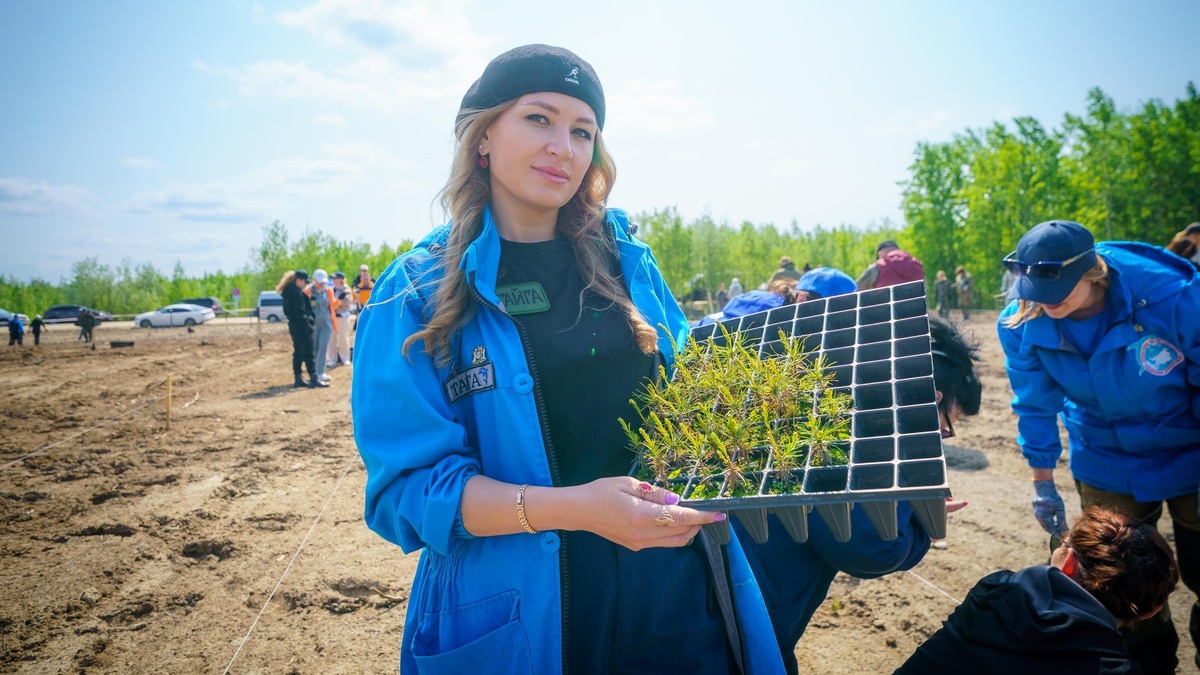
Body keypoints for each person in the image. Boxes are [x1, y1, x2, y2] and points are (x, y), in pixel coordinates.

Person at [351, 44, 784, 674]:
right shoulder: (415, 293)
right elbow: (408, 495)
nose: (564, 146)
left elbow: (704, 411)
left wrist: (859, 472)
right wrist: (576, 508)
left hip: (680, 597)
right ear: (483, 137)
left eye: (583, 131)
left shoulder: (629, 264)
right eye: (539, 119)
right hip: (523, 621)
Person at [998, 219, 1200, 674]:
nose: (1046, 301)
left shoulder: (1174, 297)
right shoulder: (1022, 318)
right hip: (1104, 453)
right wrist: (1042, 483)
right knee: (1120, 583)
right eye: (1034, 290)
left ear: (1092, 274)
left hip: (1190, 446)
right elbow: (1033, 404)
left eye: (1059, 289)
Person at [741, 317, 981, 674]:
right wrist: (926, 527)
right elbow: (875, 547)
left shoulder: (823, 396)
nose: (940, 440)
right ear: (931, 400)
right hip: (746, 607)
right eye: (945, 428)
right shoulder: (868, 436)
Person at [895, 506, 1179, 674]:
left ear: (1068, 563)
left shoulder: (993, 590)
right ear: (1150, 612)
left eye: (1061, 543)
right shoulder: (1115, 669)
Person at [279, 270, 325, 388]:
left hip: (294, 325)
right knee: (308, 352)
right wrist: (307, 325)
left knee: (298, 352)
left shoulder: (288, 292)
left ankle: (298, 377)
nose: (305, 284)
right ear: (298, 280)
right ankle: (313, 377)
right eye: (304, 281)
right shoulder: (296, 293)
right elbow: (300, 311)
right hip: (301, 326)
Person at [856, 240, 925, 290]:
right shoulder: (917, 265)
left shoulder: (876, 267)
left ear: (879, 253)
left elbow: (856, 290)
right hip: (917, 309)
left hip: (886, 309)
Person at [307, 269, 337, 384]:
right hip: (313, 323)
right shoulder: (308, 291)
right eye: (319, 281)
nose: (321, 284)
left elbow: (332, 304)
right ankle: (313, 373)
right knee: (314, 348)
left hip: (326, 322)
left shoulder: (328, 290)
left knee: (323, 347)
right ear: (314, 279)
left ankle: (321, 372)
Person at [327, 271, 353, 367]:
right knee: (331, 338)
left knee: (343, 338)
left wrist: (336, 303)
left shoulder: (346, 289)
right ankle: (332, 358)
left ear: (341, 279)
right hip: (332, 316)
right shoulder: (330, 288)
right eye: (333, 278)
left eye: (336, 278)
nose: (334, 280)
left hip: (342, 316)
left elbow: (347, 301)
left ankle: (345, 358)